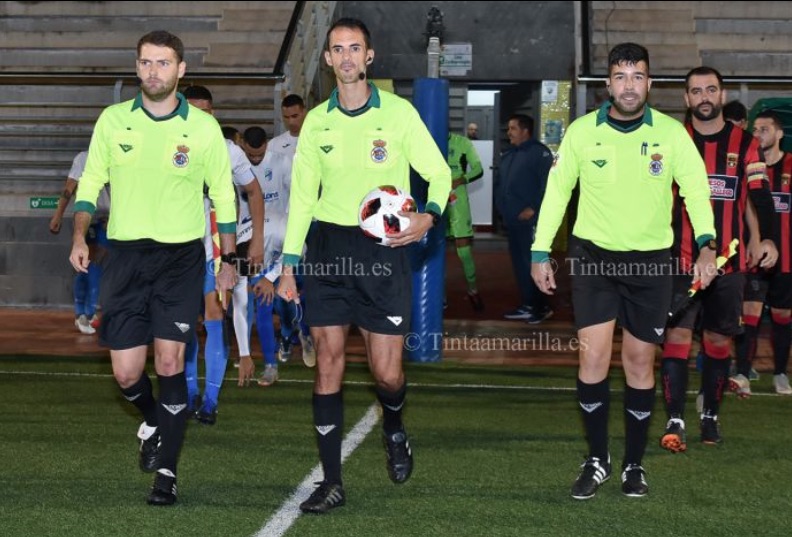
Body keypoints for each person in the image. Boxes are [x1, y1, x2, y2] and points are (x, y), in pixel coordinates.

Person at [276, 17, 451, 514]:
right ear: (328, 60)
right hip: (328, 252)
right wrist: (290, 264)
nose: (347, 57)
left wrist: (428, 217)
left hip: (383, 253)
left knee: (386, 374)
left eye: (356, 48)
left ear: (369, 57)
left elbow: (438, 173)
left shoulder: (397, 115)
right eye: (338, 49)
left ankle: (394, 426)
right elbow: (304, 198)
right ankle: (331, 480)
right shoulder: (316, 121)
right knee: (328, 362)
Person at [531, 43, 717, 499]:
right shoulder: (580, 132)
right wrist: (539, 251)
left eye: (637, 76)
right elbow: (557, 193)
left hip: (651, 263)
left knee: (638, 362)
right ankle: (597, 459)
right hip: (594, 258)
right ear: (608, 83)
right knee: (591, 358)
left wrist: (708, 244)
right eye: (620, 76)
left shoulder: (673, 135)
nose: (629, 85)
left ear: (649, 83)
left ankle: (634, 464)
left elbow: (696, 190)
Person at [68, 31, 238, 506]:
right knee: (125, 373)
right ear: (137, 66)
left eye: (163, 64)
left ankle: (167, 472)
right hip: (124, 257)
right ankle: (152, 422)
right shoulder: (113, 120)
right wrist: (80, 234)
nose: (153, 72)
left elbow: (224, 197)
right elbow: (91, 183)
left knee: (169, 363)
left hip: (180, 259)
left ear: (181, 69)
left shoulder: (203, 129)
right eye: (146, 63)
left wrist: (227, 261)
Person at [658, 66, 777, 453]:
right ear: (686, 99)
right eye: (696, 91)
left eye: (711, 89)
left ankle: (710, 412)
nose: (704, 96)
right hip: (679, 260)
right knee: (675, 337)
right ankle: (675, 416)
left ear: (722, 96)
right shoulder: (673, 139)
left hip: (729, 262)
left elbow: (759, 196)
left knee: (717, 339)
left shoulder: (746, 143)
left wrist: (768, 238)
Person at [180, 85, 264, 421]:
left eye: (208, 110)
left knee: (215, 319)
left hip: (218, 248)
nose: (203, 116)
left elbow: (254, 192)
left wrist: (257, 240)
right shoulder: (169, 143)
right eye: (196, 110)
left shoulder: (228, 150)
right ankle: (188, 395)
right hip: (178, 246)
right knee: (182, 324)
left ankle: (210, 401)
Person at [735, 110, 792, 395]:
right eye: (755, 129)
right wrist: (753, 240)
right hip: (755, 254)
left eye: (765, 129)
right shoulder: (750, 166)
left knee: (782, 315)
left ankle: (780, 373)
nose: (758, 134)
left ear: (780, 134)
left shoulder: (791, 165)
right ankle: (743, 373)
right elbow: (746, 207)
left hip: (787, 258)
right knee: (750, 314)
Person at [497, 114, 554, 323]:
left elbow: (549, 185)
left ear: (525, 131)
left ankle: (540, 308)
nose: (508, 132)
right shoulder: (510, 154)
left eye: (512, 128)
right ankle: (529, 305)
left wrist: (534, 209)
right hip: (513, 223)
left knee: (534, 264)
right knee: (521, 266)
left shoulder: (540, 153)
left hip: (531, 222)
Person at [51, 150, 110, 334]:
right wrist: (58, 215)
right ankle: (84, 314)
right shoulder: (83, 158)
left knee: (94, 265)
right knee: (89, 264)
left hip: (107, 220)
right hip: (89, 219)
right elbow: (69, 188)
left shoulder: (113, 155)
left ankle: (86, 313)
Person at [446, 131, 485, 311]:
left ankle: (473, 289)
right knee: (435, 251)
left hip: (457, 200)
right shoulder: (426, 138)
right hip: (434, 198)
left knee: (464, 249)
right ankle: (438, 295)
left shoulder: (462, 142)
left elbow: (478, 169)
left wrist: (462, 179)